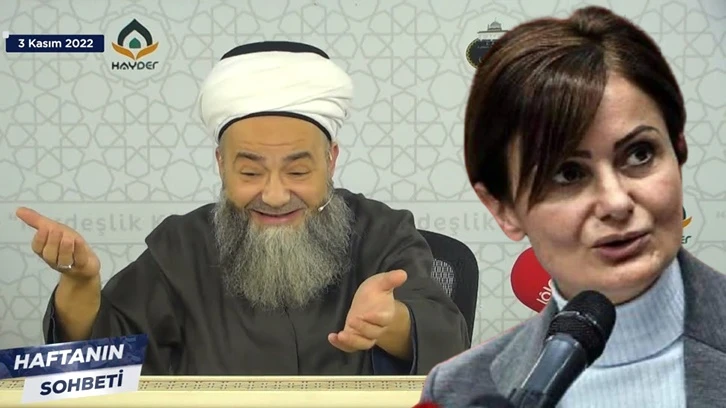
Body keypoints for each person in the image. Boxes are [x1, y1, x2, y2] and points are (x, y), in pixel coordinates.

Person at [16, 40, 469, 376]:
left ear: (330, 160)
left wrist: (393, 325)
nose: (274, 194)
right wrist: (80, 286)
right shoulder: (182, 247)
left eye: (297, 170)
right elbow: (98, 367)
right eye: (250, 172)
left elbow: (449, 340)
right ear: (221, 164)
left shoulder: (382, 232)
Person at [419, 6, 726, 408]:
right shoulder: (459, 391)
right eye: (567, 174)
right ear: (502, 208)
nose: (616, 202)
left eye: (640, 154)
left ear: (678, 148)